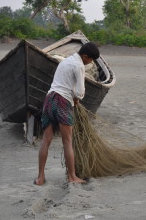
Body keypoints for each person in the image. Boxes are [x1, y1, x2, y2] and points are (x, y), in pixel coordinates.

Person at [34, 42, 100, 186]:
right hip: (63, 102)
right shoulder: (79, 66)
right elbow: (80, 93)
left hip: (49, 99)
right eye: (91, 60)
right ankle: (72, 177)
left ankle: (40, 178)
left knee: (46, 140)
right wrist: (76, 99)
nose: (91, 62)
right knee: (67, 141)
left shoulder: (65, 61)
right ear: (85, 56)